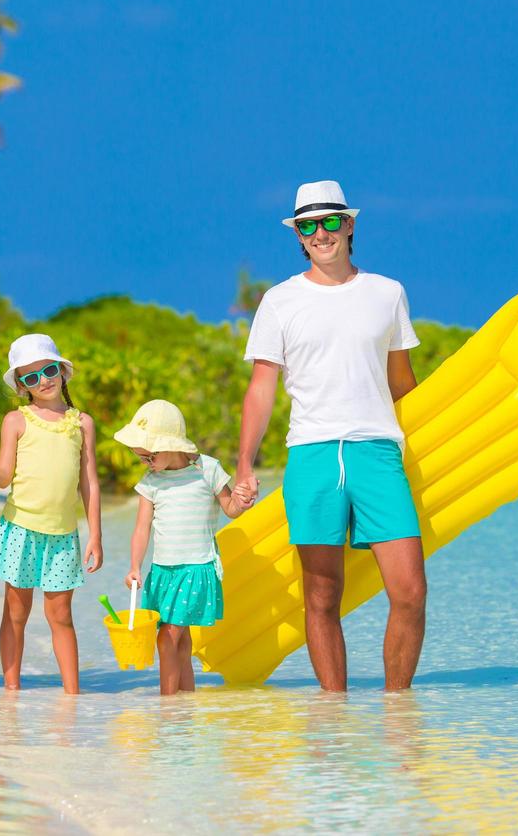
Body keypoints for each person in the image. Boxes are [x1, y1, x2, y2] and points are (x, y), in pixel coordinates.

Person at [234, 179, 427, 691]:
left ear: (350, 225)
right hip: (313, 454)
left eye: (331, 221)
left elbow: (401, 382)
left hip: (377, 451)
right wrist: (245, 465)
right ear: (298, 235)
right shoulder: (279, 301)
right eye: (309, 225)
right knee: (322, 597)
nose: (321, 233)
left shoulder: (388, 293)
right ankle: (333, 713)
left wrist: (438, 429)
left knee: (409, 591)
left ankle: (397, 709)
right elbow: (260, 390)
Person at [0, 334, 103, 693]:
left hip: (63, 535)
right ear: (20, 386)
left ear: (62, 371)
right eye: (30, 377)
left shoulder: (82, 423)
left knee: (61, 616)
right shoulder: (16, 421)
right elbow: (2, 478)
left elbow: (88, 482)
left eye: (48, 371)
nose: (42, 381)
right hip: (21, 529)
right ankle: (11, 689)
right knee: (16, 613)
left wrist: (96, 535)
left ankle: (72, 695)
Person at [114, 399, 247, 695]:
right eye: (141, 458)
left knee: (166, 637)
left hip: (196, 568)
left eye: (150, 456)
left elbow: (231, 508)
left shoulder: (207, 469)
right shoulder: (151, 481)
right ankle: (185, 701)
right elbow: (141, 528)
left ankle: (167, 705)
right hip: (163, 571)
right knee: (180, 637)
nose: (145, 463)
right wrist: (135, 566)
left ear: (172, 444)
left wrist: (244, 500)